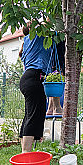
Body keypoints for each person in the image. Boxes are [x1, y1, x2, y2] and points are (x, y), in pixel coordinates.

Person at [17, 24, 58, 152]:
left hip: (30, 79)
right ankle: (26, 153)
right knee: (33, 116)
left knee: (30, 115)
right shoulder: (34, 37)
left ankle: (24, 152)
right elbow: (47, 23)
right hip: (33, 79)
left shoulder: (30, 42)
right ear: (32, 30)